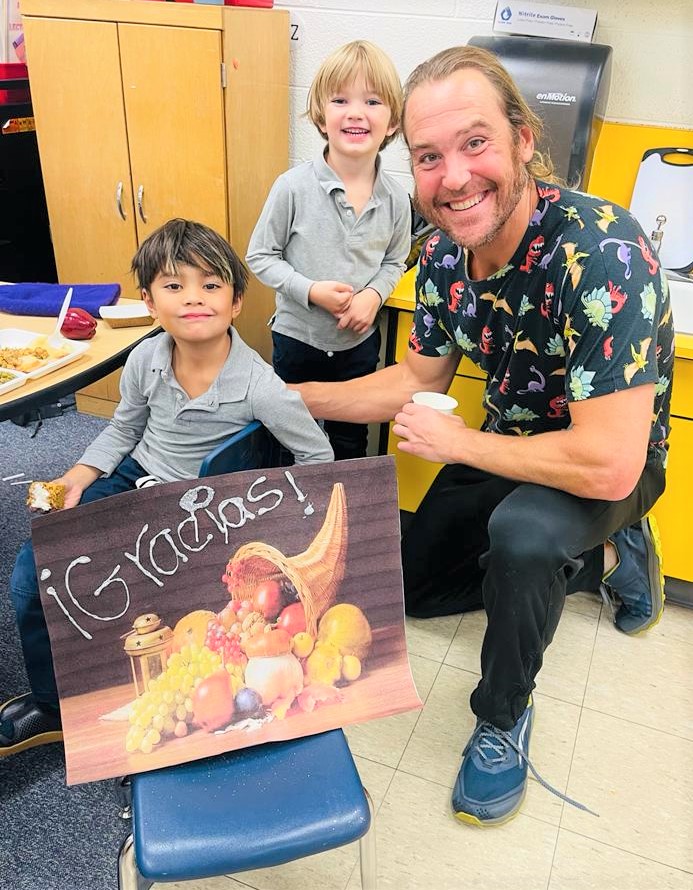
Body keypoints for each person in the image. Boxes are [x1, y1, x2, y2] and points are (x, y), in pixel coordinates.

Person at [296, 46, 675, 827]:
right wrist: (286, 396)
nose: (454, 177)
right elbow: (416, 380)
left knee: (523, 537)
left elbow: (605, 463)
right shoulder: (440, 256)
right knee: (417, 587)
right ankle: (603, 558)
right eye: (429, 157)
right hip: (511, 444)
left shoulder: (601, 253)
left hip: (609, 463)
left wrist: (462, 446)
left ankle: (502, 718)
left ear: (521, 141)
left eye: (474, 144)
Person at [1, 218, 333, 757]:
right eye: (174, 286)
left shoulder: (261, 387)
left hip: (200, 513)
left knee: (144, 600)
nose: (193, 299)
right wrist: (81, 475)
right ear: (150, 303)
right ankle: (50, 704)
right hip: (136, 480)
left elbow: (316, 458)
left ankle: (134, 704)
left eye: (210, 284)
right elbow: (125, 428)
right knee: (30, 574)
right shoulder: (143, 359)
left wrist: (272, 521)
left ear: (237, 301)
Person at [246, 40, 411, 460]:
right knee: (288, 432)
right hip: (296, 338)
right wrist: (310, 290)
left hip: (357, 345)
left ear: (392, 122)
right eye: (341, 100)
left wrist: (373, 296)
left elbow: (394, 261)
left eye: (372, 101)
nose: (356, 112)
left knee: (350, 441)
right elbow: (260, 256)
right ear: (321, 115)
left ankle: (347, 514)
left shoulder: (396, 199)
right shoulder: (292, 187)